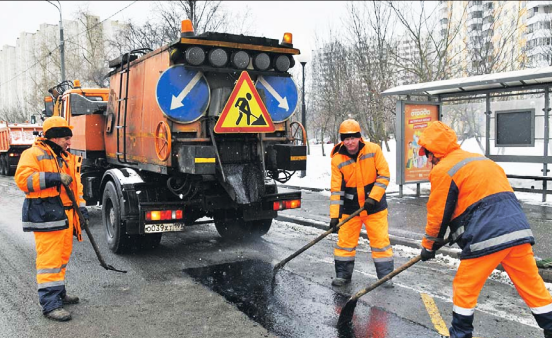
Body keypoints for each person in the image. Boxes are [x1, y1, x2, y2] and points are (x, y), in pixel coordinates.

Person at [417, 121, 552, 338]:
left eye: (428, 155)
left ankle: (460, 334)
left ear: (435, 152)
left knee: (465, 287)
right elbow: (481, 200)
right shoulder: (481, 160)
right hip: (517, 231)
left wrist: (428, 246)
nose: (428, 160)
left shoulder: (444, 170)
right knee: (532, 286)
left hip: (487, 237)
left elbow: (437, 215)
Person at [15, 116, 89, 322]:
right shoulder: (33, 154)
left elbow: (76, 187)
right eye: (66, 138)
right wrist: (53, 178)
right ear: (54, 137)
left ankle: (58, 293)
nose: (69, 142)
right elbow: (23, 180)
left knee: (61, 258)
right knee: (50, 261)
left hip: (66, 214)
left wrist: (81, 210)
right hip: (47, 214)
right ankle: (50, 305)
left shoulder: (65, 157)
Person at [328, 119, 394, 287]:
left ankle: (385, 277)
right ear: (342, 140)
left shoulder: (374, 150)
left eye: (353, 138)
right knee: (345, 244)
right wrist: (335, 217)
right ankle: (343, 275)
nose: (350, 142)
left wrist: (374, 197)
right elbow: (336, 190)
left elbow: (384, 175)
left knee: (380, 243)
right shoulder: (337, 159)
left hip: (375, 208)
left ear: (359, 137)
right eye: (346, 138)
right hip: (350, 211)